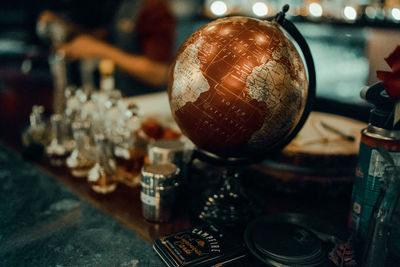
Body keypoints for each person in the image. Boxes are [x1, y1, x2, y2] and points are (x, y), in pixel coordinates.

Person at [37, 0, 176, 96]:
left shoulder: (154, 6)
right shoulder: (120, 4)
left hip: (150, 103)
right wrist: (69, 28)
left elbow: (160, 73)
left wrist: (98, 50)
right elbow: (108, 37)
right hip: (124, 97)